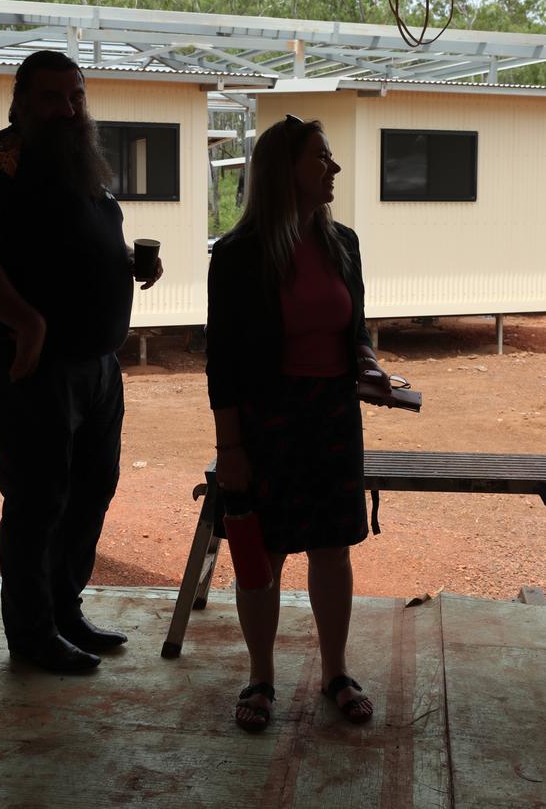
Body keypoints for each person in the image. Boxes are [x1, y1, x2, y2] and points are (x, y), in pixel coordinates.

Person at [0, 50, 163, 674]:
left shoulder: (79, 164)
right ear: (21, 102)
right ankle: (33, 636)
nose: (67, 108)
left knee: (91, 491)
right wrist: (27, 320)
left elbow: (82, 246)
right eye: (52, 98)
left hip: (95, 368)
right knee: (38, 502)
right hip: (30, 368)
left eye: (76, 96)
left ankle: (64, 611)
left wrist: (128, 264)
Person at [206, 114, 390, 731]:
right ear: (286, 172)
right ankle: (261, 678)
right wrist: (230, 445)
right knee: (265, 554)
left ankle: (335, 670)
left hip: (333, 414)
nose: (333, 168)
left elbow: (355, 326)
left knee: (331, 548)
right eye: (321, 157)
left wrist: (366, 361)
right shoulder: (237, 256)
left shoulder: (345, 244)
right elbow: (223, 361)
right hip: (266, 419)